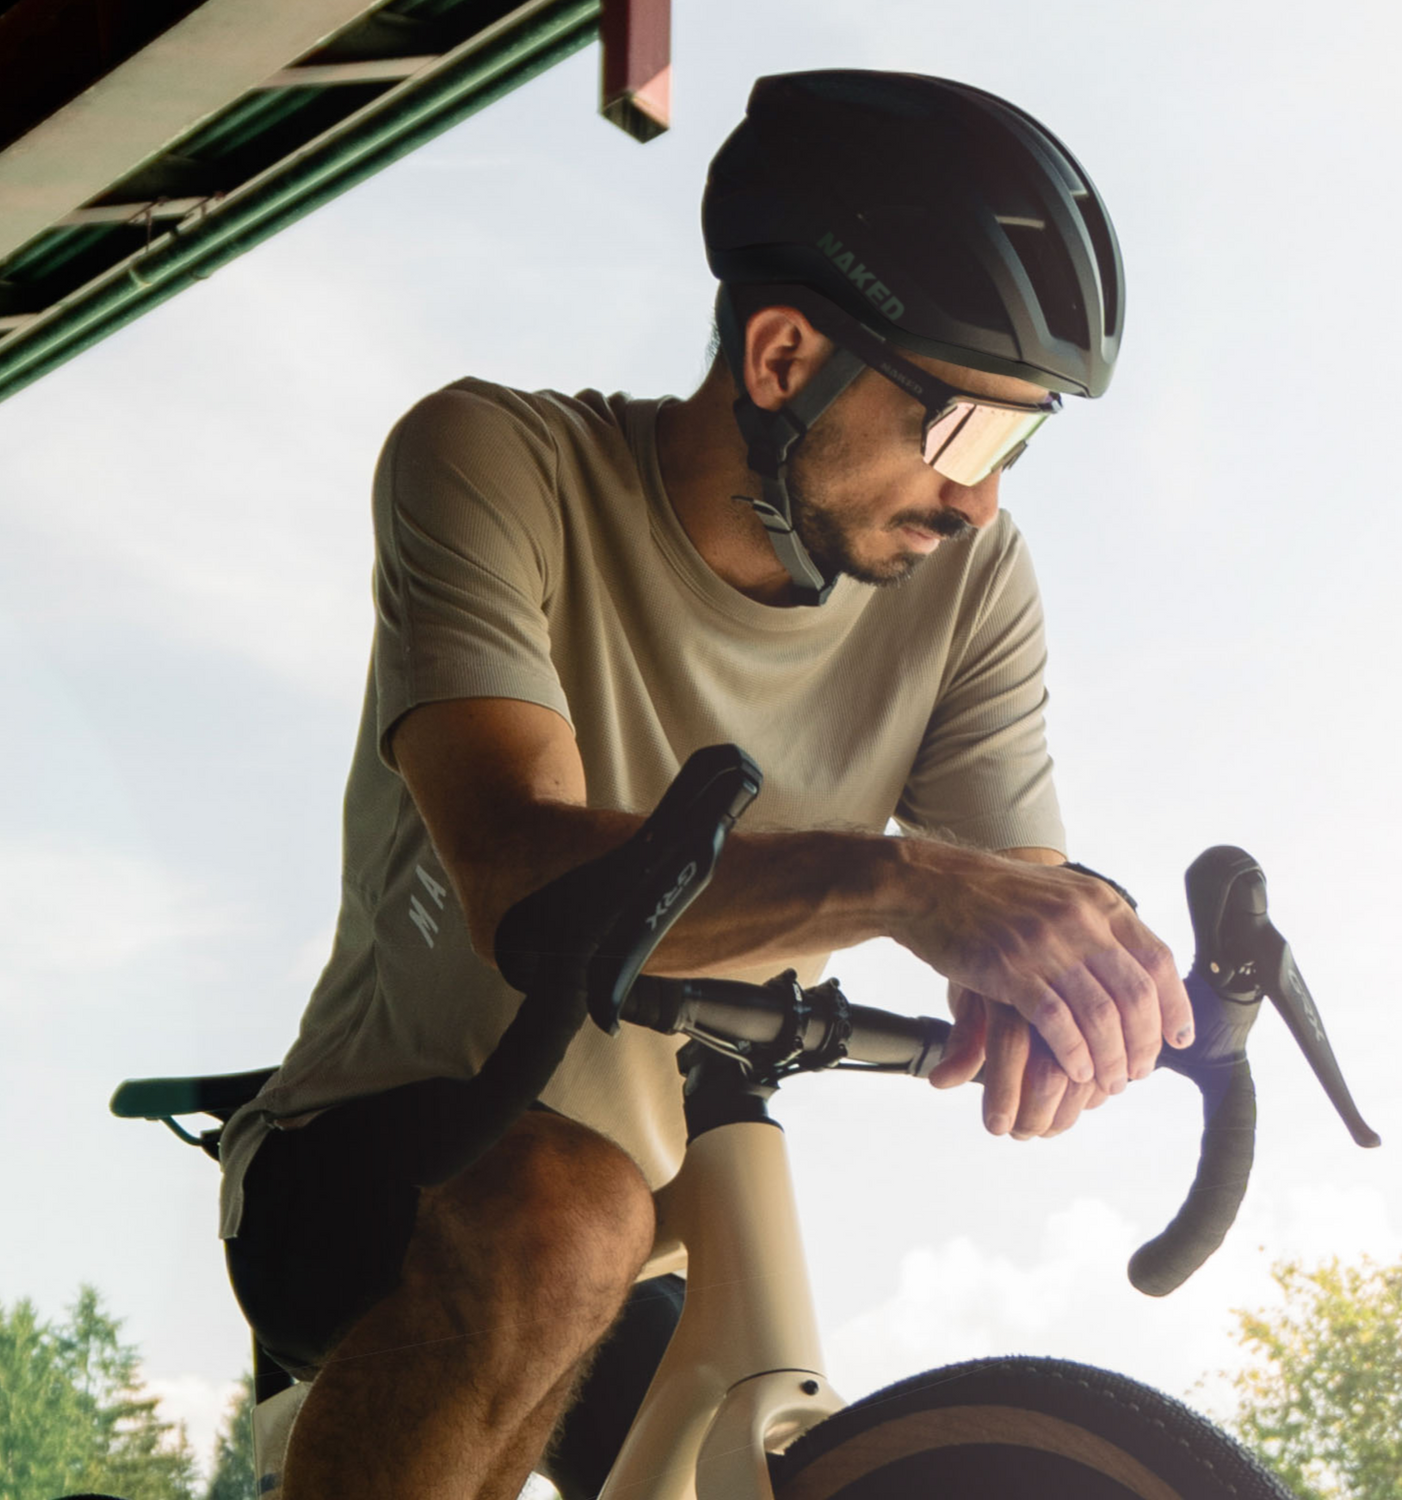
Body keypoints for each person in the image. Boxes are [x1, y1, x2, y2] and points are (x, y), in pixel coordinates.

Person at [217, 69, 1194, 1500]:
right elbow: (518, 879)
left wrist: (1075, 961)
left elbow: (1009, 899)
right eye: (965, 432)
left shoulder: (970, 577)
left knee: (725, 1370)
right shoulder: (494, 459)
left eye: (1023, 438)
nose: (984, 497)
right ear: (785, 358)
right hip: (384, 1154)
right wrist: (900, 883)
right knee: (568, 1217)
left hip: (664, 1194)